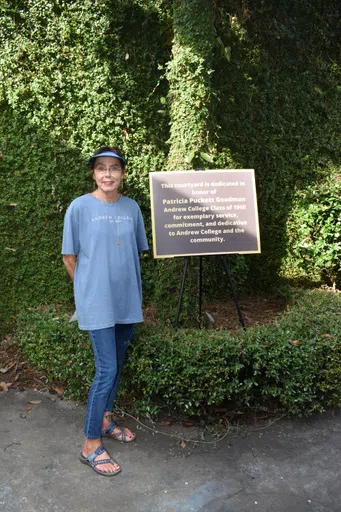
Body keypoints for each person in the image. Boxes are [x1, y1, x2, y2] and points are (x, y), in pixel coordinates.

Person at [62, 146, 149, 476]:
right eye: (101, 168)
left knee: (118, 364)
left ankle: (106, 418)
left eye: (114, 168)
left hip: (126, 301)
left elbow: (135, 252)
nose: (108, 174)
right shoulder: (79, 208)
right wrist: (86, 293)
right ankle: (90, 444)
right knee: (106, 371)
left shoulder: (132, 208)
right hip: (97, 303)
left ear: (123, 173)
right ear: (93, 173)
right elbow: (70, 257)